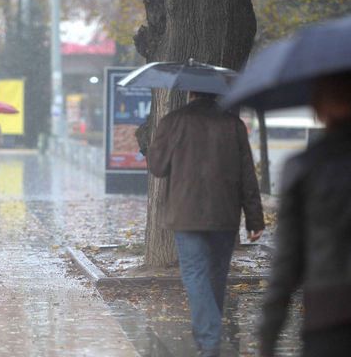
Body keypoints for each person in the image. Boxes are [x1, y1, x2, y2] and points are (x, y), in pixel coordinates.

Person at [146, 92, 265, 357]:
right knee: (216, 276)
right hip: (225, 214)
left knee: (195, 273)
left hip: (186, 213)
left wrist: (156, 140)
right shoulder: (233, 124)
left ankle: (209, 340)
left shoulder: (174, 121)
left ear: (190, 93)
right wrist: (255, 218)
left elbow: (157, 167)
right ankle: (208, 337)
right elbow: (248, 174)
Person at [258, 73, 351, 357]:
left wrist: (268, 336)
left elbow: (287, 261)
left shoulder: (304, 167)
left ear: (320, 106)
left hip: (329, 316)